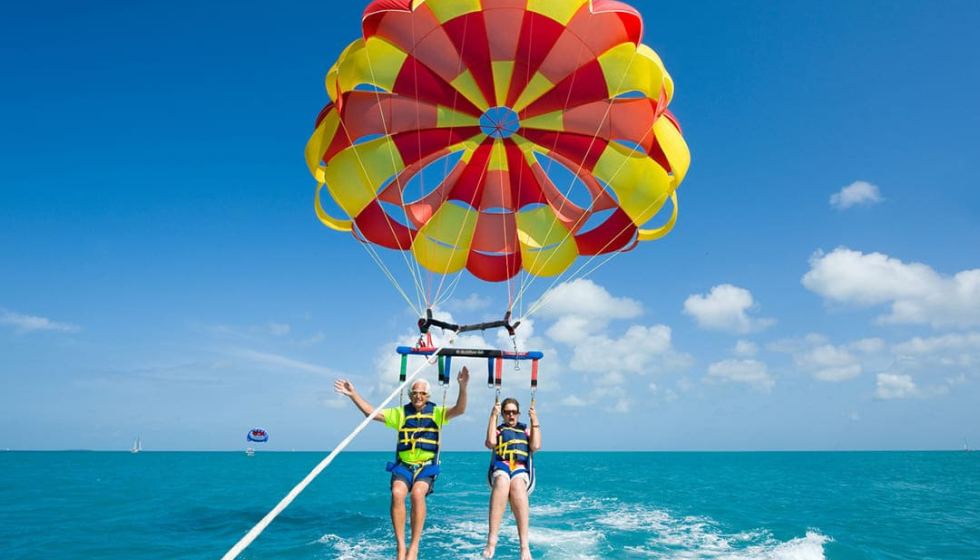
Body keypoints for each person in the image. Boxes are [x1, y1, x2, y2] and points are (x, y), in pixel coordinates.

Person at [334, 367, 469, 560]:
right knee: (397, 493)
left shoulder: (437, 413)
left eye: (422, 393)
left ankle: (414, 547)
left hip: (426, 466)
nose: (418, 396)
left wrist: (463, 386)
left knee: (417, 494)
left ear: (428, 396)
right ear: (410, 395)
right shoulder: (401, 413)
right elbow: (371, 413)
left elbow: (460, 409)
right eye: (415, 393)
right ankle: (400, 546)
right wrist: (353, 394)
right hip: (404, 465)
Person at [483, 397, 541, 560]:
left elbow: (536, 446)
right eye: (507, 412)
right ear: (502, 414)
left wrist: (535, 420)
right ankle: (491, 541)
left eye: (514, 412)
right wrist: (493, 416)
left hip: (520, 469)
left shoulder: (526, 430)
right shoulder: (498, 430)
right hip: (501, 467)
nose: (511, 415)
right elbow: (491, 443)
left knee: (517, 486)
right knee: (502, 482)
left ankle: (524, 546)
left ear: (518, 413)